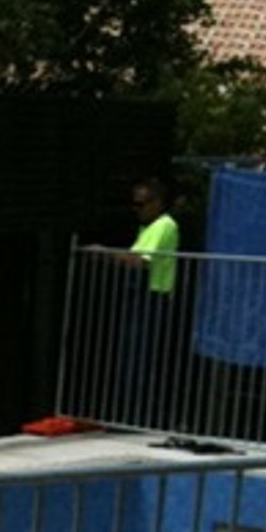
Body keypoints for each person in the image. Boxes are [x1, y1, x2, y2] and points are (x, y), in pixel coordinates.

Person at [111, 178, 181, 425]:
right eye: (134, 204)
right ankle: (131, 413)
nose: (136, 209)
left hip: (153, 296)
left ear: (157, 203)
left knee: (140, 359)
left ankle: (141, 416)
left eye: (141, 204)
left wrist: (107, 254)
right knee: (131, 357)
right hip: (141, 296)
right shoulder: (147, 227)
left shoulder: (163, 225)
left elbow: (141, 260)